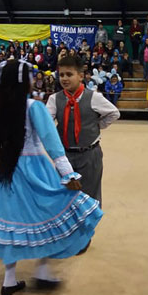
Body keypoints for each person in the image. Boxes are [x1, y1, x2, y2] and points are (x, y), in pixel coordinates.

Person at [0, 59, 103, 295]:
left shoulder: (2, 107)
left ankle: (9, 279)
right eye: (31, 75)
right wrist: (68, 173)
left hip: (8, 171)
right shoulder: (34, 106)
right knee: (47, 217)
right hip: (35, 169)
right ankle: (42, 271)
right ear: (24, 80)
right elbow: (52, 144)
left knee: (12, 223)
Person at [45, 55, 120, 253]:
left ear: (81, 76)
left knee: (89, 196)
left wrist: (96, 126)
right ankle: (66, 232)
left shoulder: (93, 97)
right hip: (65, 157)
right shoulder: (55, 99)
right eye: (61, 75)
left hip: (90, 154)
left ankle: (84, 235)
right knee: (65, 195)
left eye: (69, 74)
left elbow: (114, 113)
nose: (65, 78)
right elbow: (46, 123)